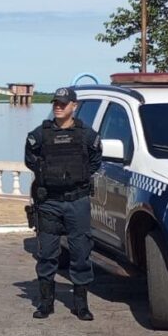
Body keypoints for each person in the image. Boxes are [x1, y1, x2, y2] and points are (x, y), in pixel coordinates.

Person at [24, 87, 102, 320]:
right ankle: (45, 303)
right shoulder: (40, 133)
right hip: (49, 201)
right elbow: (30, 158)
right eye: (55, 103)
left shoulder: (87, 134)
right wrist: (50, 175)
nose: (58, 106)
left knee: (80, 252)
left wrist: (74, 176)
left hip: (77, 200)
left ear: (73, 106)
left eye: (63, 103)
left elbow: (96, 161)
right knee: (47, 252)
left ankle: (81, 305)